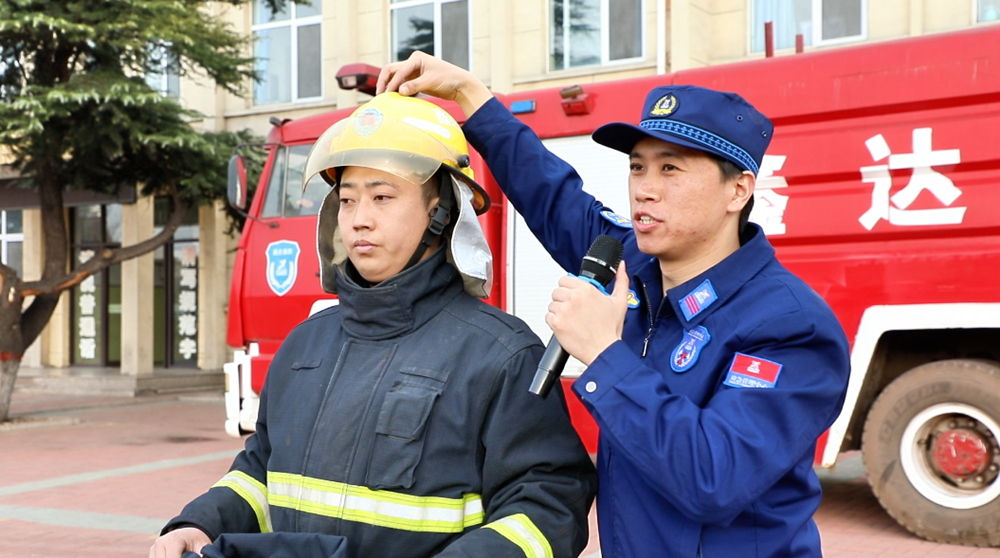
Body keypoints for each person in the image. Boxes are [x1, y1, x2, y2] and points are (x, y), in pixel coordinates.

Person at [378, 54, 851, 558]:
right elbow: (550, 192)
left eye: (671, 168)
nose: (644, 189)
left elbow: (715, 478)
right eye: (637, 167)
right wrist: (472, 95)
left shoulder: (791, 325)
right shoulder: (633, 265)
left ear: (738, 190)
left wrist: (604, 353)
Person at [149, 92, 597, 558]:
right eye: (347, 200)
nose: (360, 220)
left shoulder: (502, 354)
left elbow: (548, 504)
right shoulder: (304, 345)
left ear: (440, 212)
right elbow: (262, 470)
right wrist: (200, 522)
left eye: (383, 197)